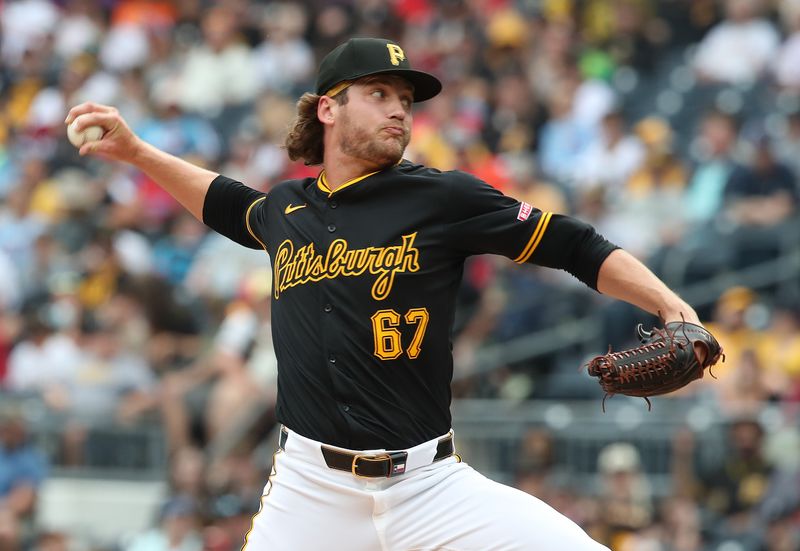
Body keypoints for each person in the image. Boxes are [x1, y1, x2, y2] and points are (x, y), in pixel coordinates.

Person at [66, 37, 710, 551]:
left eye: (406, 97)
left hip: (430, 485)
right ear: (328, 108)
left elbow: (574, 244)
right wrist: (139, 152)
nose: (400, 108)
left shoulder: (442, 197)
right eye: (378, 93)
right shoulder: (286, 210)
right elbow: (226, 203)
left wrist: (671, 307)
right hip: (309, 492)